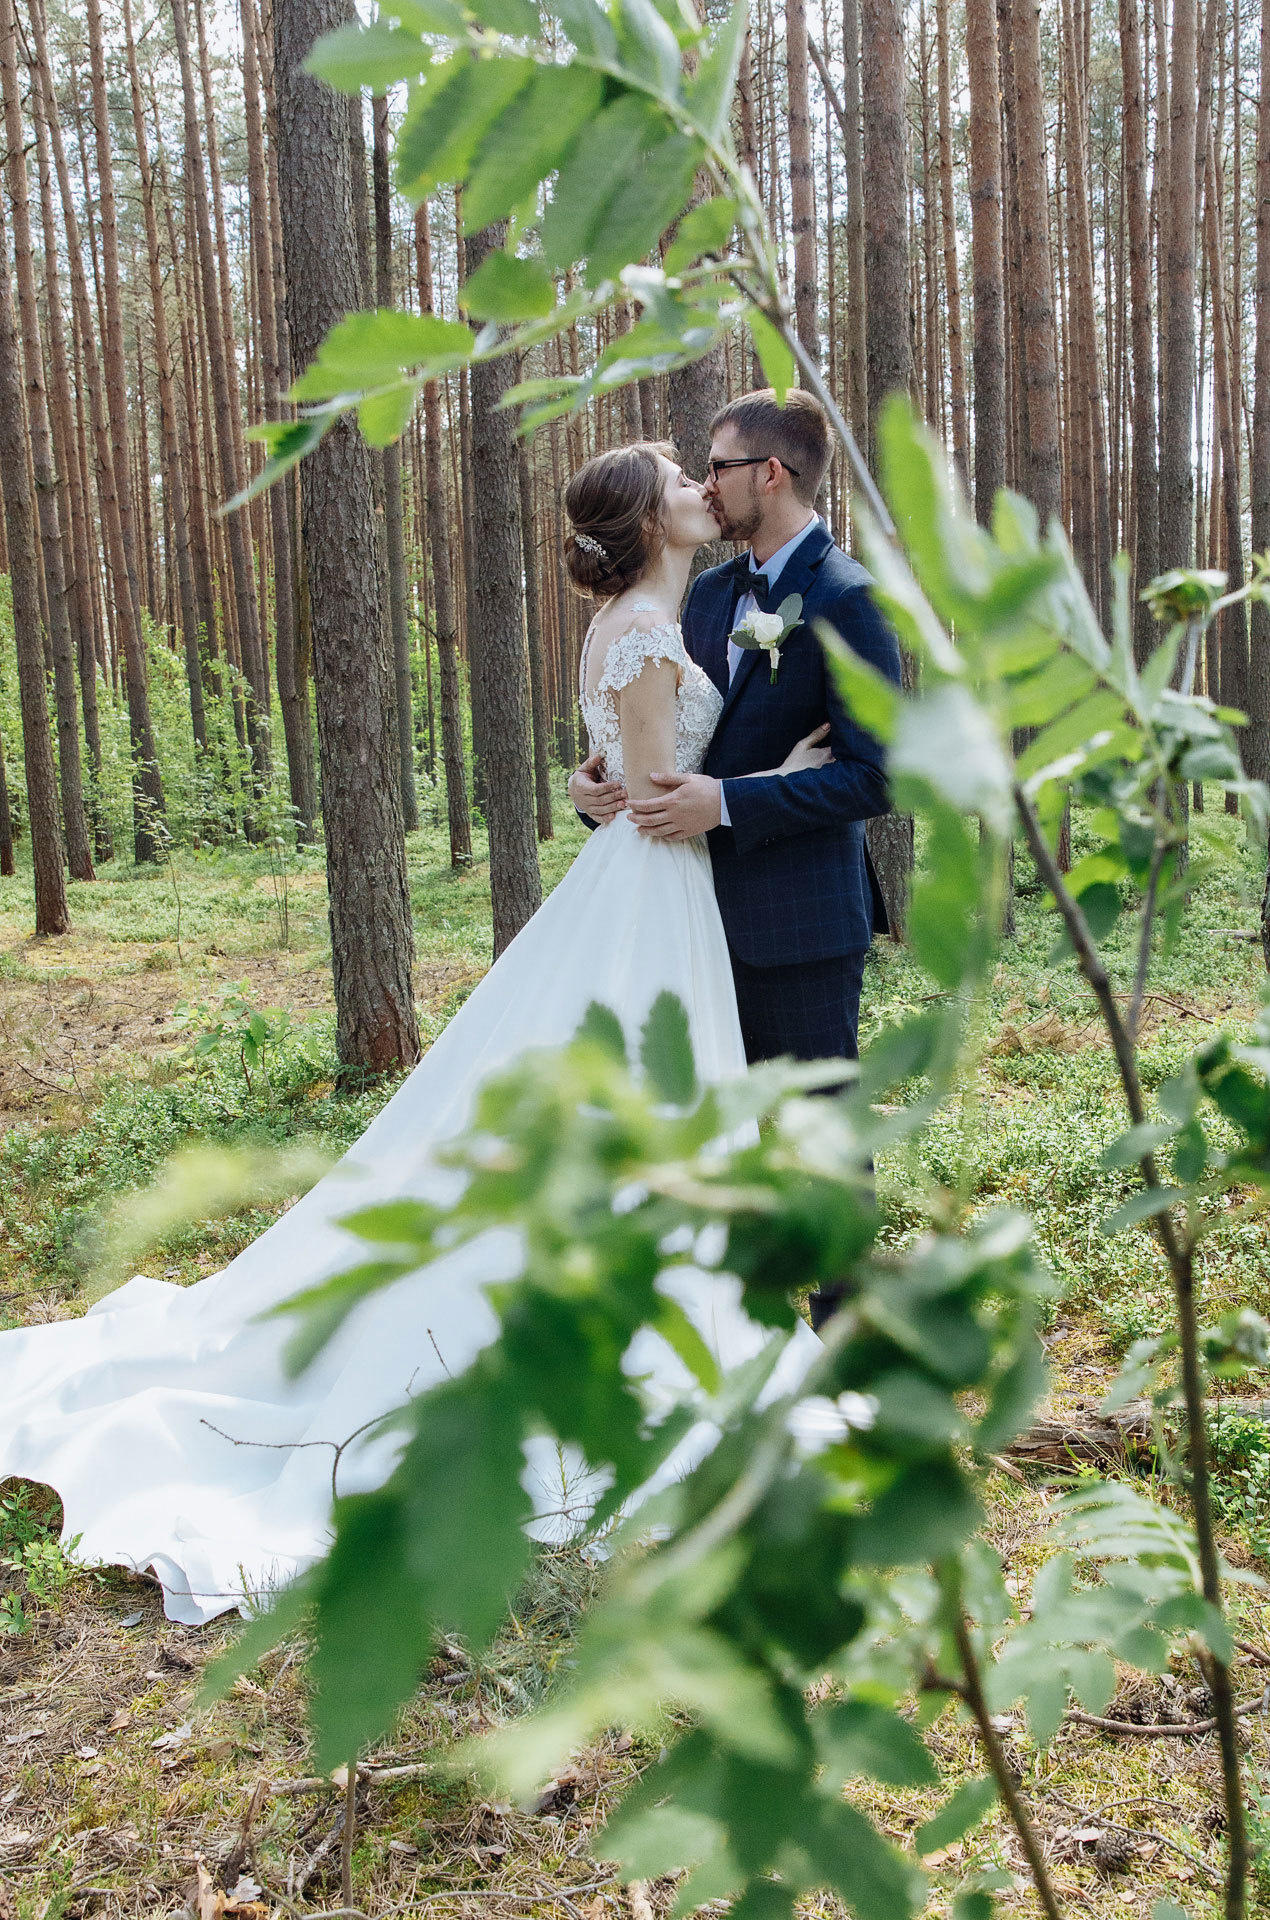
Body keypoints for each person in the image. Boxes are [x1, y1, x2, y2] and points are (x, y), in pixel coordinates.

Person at [0, 440, 839, 1625]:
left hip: (638, 899)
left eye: (706, 475)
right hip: (651, 901)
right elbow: (659, 804)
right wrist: (772, 779)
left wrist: (604, 783)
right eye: (678, 479)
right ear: (649, 519)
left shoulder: (652, 613)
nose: (702, 490)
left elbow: (620, 777)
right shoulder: (646, 631)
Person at [571, 391, 902, 1329]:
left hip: (797, 926)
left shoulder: (849, 599)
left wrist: (734, 801)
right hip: (685, 916)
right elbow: (658, 749)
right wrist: (596, 787)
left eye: (715, 466)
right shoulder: (705, 594)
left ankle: (840, 1347)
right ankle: (733, 1338)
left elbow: (878, 777)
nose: (704, 484)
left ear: (771, 474)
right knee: (708, 1144)